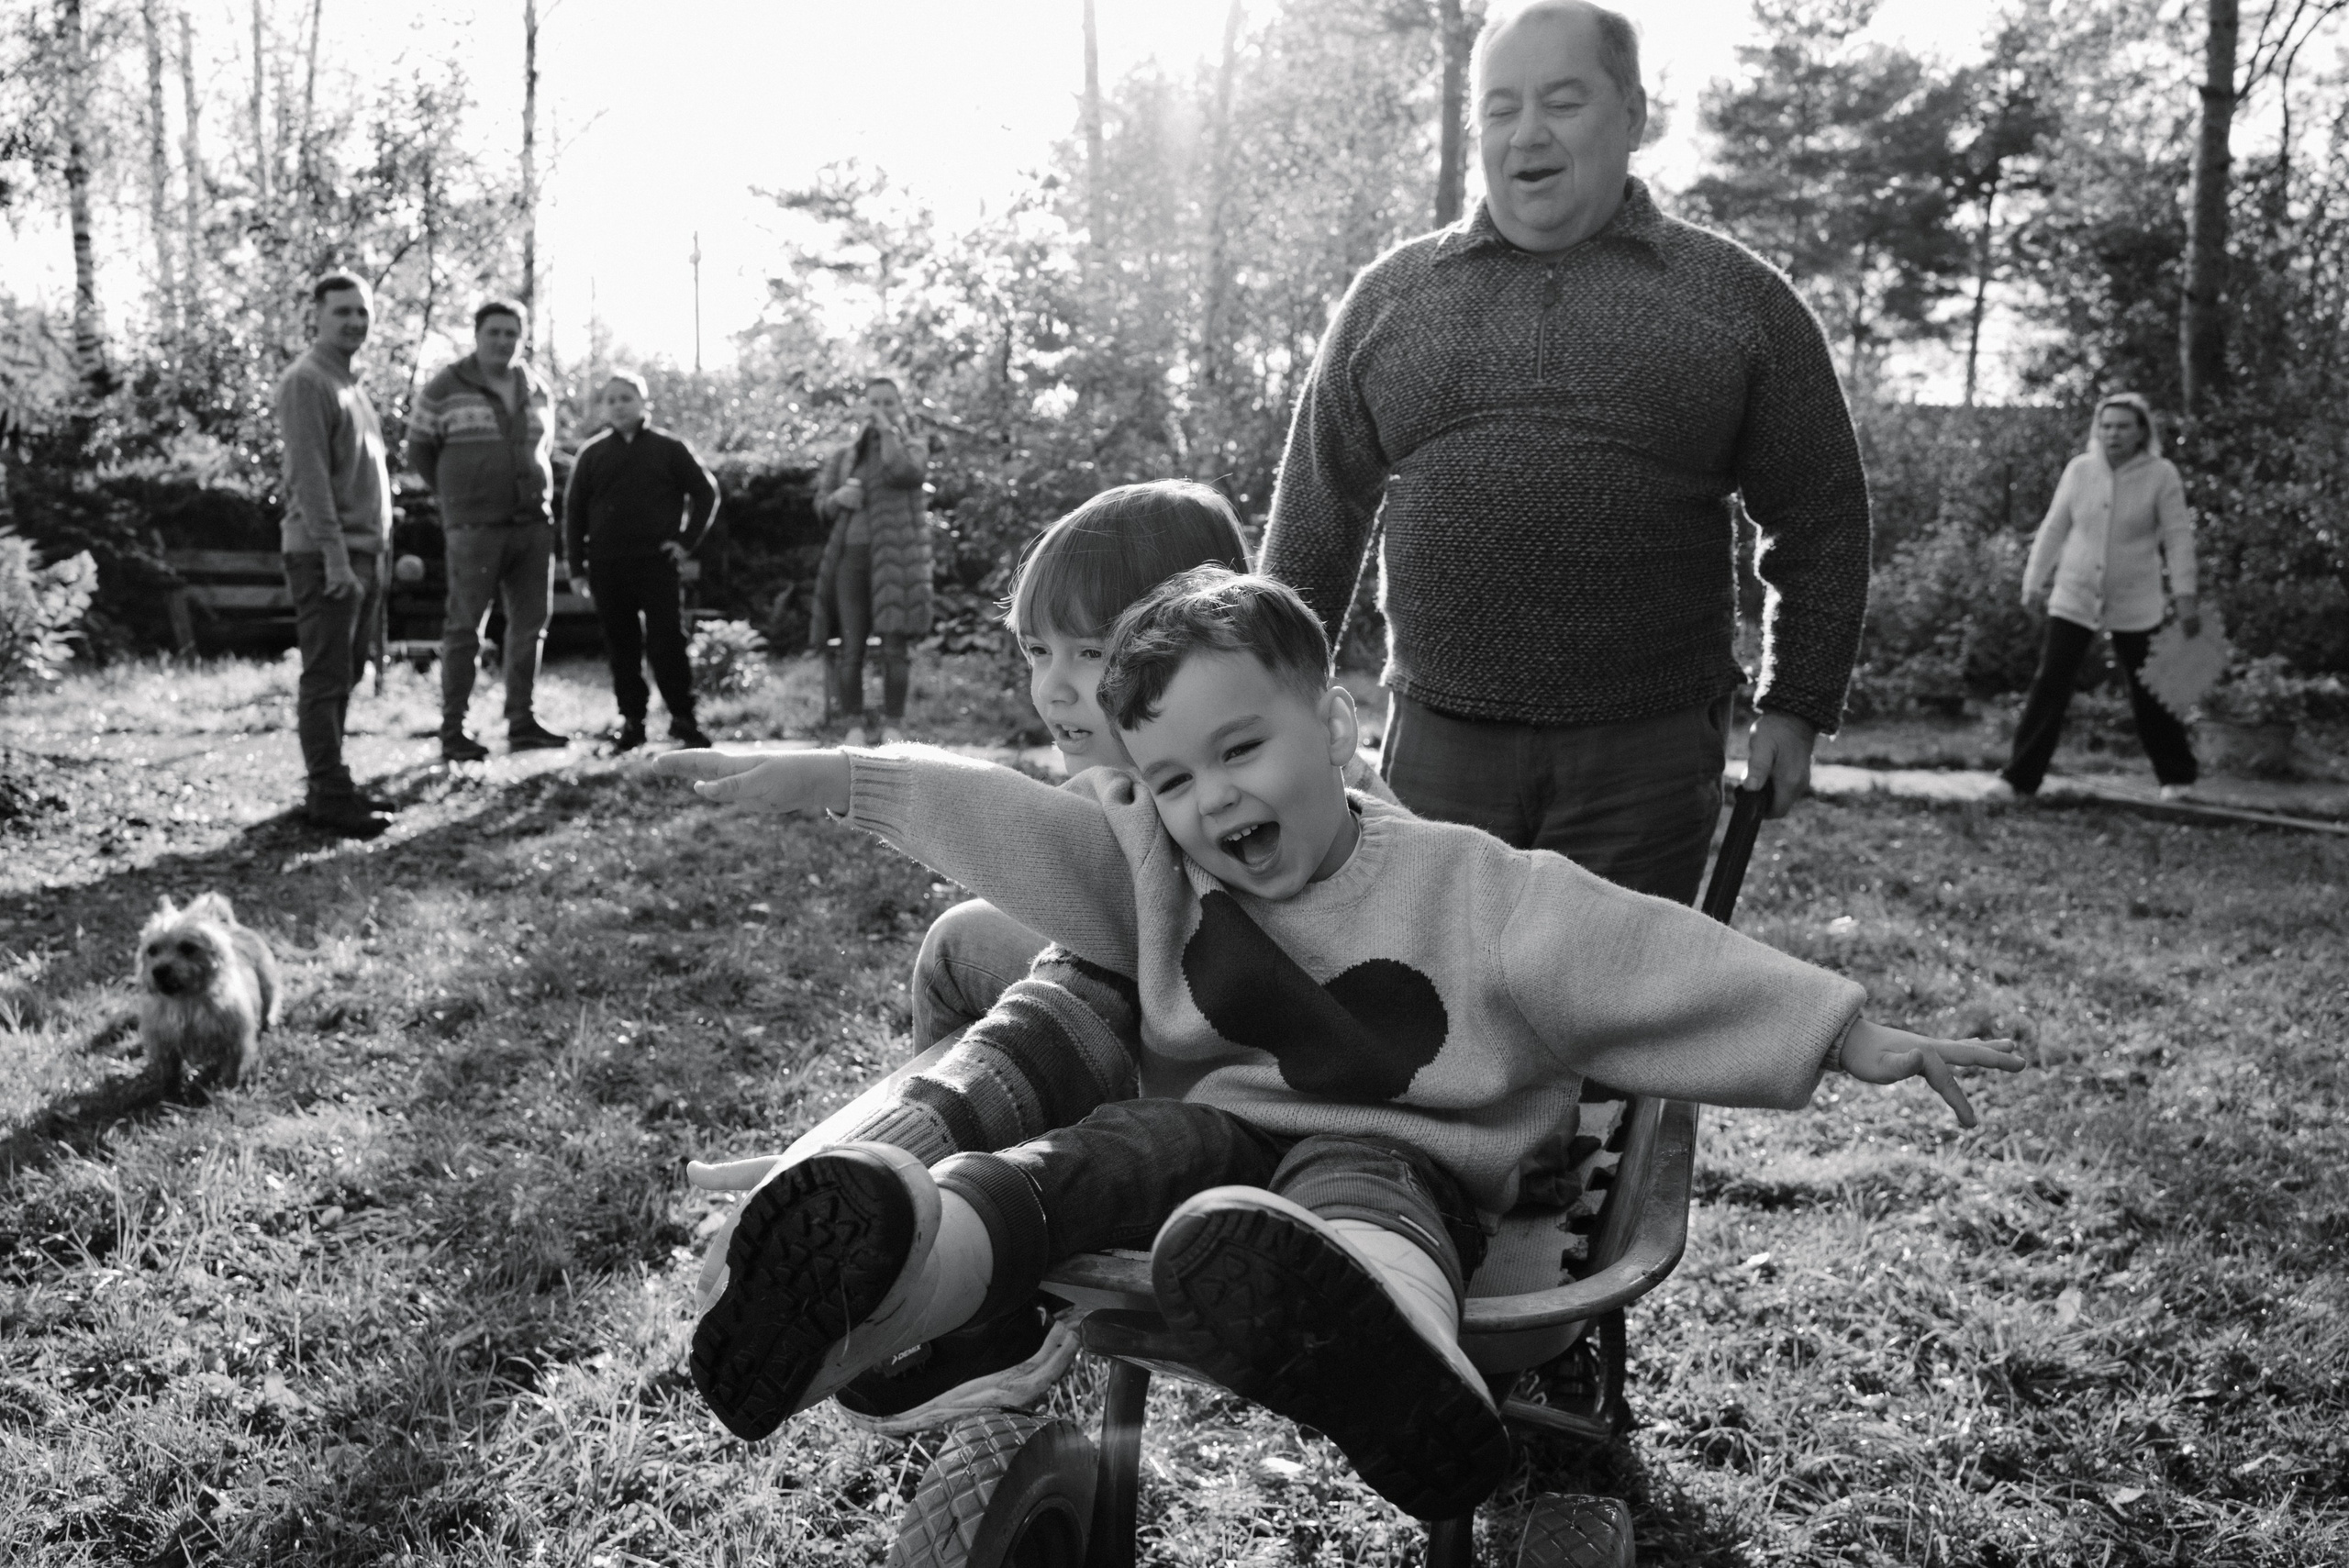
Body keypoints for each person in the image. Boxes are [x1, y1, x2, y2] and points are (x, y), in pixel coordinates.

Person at [659, 570, 2021, 1522]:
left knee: (1369, 1216)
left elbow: (1644, 954)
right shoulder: (1174, 874)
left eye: (1239, 747)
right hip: (1226, 1146)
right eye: (1175, 778)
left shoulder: (1473, 889)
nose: (1212, 800)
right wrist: (850, 777)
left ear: (1337, 721)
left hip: (1404, 1154)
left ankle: (1391, 1362)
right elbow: (1032, 828)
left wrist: (1847, 1029)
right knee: (1100, 1156)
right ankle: (907, 1268)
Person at [1258, 0, 1871, 905]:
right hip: (1436, 745)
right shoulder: (1391, 297)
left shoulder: (1737, 301)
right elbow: (1319, 514)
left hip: (1646, 759)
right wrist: (1271, 701)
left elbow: (1820, 518)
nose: (1526, 133)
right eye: (1500, 107)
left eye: (1562, 101)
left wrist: (1797, 703)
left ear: (1633, 113)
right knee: (1435, 1004)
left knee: (1611, 1020)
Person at [907, 480, 1253, 1051]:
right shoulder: (1246, 744)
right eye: (1038, 651)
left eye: (1090, 653)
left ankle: (954, 1123)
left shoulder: (1174, 793)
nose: (1051, 691)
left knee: (956, 943)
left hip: (1195, 1032)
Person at [1993, 393, 2200, 802]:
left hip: (2137, 599)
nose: (2113, 434)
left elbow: (2177, 539)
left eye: (2123, 426)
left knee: (2148, 689)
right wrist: (2033, 581)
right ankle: (2018, 779)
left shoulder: (2162, 475)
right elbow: (2054, 527)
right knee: (2051, 682)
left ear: (2141, 431)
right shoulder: (2080, 470)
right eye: (2106, 426)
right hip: (2074, 594)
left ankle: (2177, 778)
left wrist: (2186, 595)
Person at [407, 297, 569, 761]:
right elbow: (419, 449)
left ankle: (522, 721)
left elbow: (544, 448)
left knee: (529, 626)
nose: (502, 341)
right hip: (473, 528)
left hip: (533, 525)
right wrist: (456, 495)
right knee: (464, 629)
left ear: (521, 339)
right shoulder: (445, 386)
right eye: (493, 332)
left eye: (511, 334)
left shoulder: (537, 388)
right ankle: (454, 729)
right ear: (476, 335)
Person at [276, 271, 396, 839]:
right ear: (317, 317)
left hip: (363, 554)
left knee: (347, 672)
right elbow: (310, 479)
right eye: (342, 311)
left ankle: (331, 784)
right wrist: (336, 557)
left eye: (362, 312)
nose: (354, 322)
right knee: (326, 676)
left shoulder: (352, 385)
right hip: (329, 555)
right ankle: (328, 794)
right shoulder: (307, 380)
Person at [564, 373, 720, 752]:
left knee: (667, 639)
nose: (618, 405)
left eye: (626, 398)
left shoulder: (669, 448)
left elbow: (705, 493)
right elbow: (573, 513)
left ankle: (683, 719)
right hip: (607, 565)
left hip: (656, 564)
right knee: (622, 644)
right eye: (611, 399)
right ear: (604, 407)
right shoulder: (592, 454)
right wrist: (577, 568)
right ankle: (633, 722)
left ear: (643, 401)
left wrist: (684, 543)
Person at [810, 376, 931, 746]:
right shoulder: (845, 456)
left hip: (895, 561)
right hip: (851, 560)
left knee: (895, 647)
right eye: (873, 403)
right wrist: (838, 498)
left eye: (888, 402)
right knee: (852, 647)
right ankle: (854, 728)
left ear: (901, 407)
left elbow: (906, 473)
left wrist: (888, 431)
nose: (879, 409)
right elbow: (821, 505)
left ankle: (893, 726)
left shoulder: (913, 445)